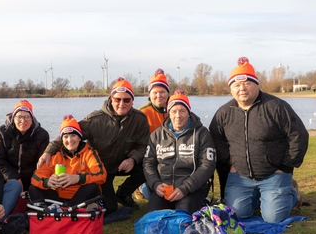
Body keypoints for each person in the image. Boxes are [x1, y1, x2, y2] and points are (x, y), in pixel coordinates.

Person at [209, 57, 309, 223]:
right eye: (236, 85)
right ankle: (259, 196)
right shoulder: (224, 112)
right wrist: (230, 162)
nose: (242, 88)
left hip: (274, 173)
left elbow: (299, 135)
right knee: (236, 215)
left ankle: (291, 194)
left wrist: (286, 166)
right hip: (240, 176)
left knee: (273, 218)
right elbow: (216, 138)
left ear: (256, 84)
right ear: (231, 89)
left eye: (247, 83)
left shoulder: (276, 107)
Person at [38, 78, 150, 214]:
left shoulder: (140, 119)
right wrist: (48, 151)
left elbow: (143, 145)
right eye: (117, 99)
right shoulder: (94, 120)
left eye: (126, 100)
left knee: (148, 167)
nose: (122, 103)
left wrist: (132, 159)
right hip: (101, 169)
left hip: (123, 163)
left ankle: (123, 193)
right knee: (110, 208)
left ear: (132, 101)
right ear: (111, 99)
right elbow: (69, 134)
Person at [144, 90, 216, 214]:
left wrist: (185, 188)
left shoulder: (202, 134)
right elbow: (148, 162)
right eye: (174, 111)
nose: (178, 115)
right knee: (154, 217)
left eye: (182, 111)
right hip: (164, 187)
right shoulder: (157, 134)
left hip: (191, 188)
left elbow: (207, 165)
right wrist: (155, 184)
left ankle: (201, 202)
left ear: (188, 112)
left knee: (182, 217)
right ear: (168, 113)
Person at [29, 115, 106, 206]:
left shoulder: (89, 153)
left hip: (81, 197)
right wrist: (47, 182)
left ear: (79, 137)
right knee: (33, 188)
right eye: (66, 137)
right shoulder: (55, 154)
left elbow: (101, 175)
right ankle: (66, 211)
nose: (69, 140)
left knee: (93, 187)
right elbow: (36, 177)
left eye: (73, 135)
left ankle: (63, 212)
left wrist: (78, 178)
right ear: (62, 139)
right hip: (58, 198)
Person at [0, 99, 49, 192]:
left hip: (32, 178)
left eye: (27, 117)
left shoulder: (42, 135)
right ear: (13, 118)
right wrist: (14, 179)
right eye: (19, 117)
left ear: (32, 119)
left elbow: (41, 163)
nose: (23, 121)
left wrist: (35, 181)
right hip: (7, 177)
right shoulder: (1, 133)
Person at [136, 68, 171, 200]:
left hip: (171, 156)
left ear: (168, 93)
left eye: (162, 92)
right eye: (155, 92)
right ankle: (140, 186)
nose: (159, 95)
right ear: (149, 94)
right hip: (148, 156)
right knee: (153, 195)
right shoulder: (142, 113)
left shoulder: (175, 110)